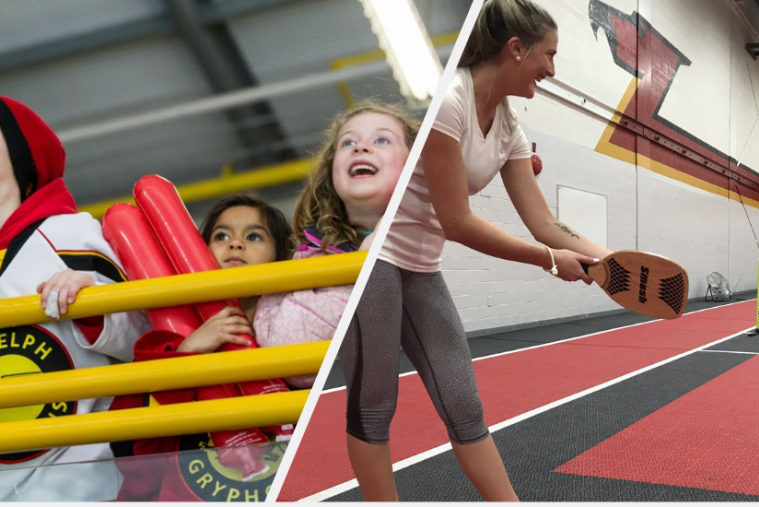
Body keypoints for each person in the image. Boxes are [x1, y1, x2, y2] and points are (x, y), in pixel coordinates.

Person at [338, 0, 614, 501]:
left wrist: (614, 263)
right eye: (548, 55)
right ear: (515, 49)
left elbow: (544, 222)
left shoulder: (510, 128)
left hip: (422, 266)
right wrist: (549, 260)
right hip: (378, 258)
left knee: (463, 404)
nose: (552, 69)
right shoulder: (450, 102)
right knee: (375, 404)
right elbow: (458, 221)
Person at [0, 96, 149, 501]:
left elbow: (142, 333)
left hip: (78, 479)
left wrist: (92, 305)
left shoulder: (68, 234)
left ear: (20, 153)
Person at [110, 194, 295, 501]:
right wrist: (187, 353)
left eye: (253, 236)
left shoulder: (296, 337)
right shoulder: (160, 348)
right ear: (194, 252)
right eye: (221, 236)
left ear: (280, 256)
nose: (235, 244)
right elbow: (129, 452)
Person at [253, 100, 420, 388]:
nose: (361, 147)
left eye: (382, 140)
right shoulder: (308, 260)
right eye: (347, 143)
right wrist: (358, 271)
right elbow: (292, 361)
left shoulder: (435, 229)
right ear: (331, 172)